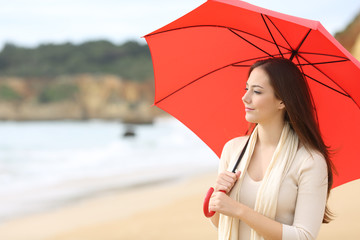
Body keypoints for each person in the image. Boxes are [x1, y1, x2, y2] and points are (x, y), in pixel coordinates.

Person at [208, 58, 334, 240]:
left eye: (257, 91)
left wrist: (241, 211)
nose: (245, 97)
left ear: (282, 101)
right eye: (246, 88)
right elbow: (220, 223)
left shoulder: (309, 161)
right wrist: (219, 196)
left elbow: (304, 236)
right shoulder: (233, 150)